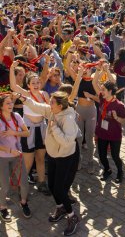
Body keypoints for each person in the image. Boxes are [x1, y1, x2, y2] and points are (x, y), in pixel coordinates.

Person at [17, 91, 81, 236]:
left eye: (51, 102)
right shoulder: (52, 110)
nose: (48, 103)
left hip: (64, 157)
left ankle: (72, 216)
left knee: (60, 189)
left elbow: (66, 142)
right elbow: (37, 106)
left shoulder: (69, 118)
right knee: (51, 186)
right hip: (52, 155)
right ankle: (60, 207)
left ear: (60, 105)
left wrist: (54, 128)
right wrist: (22, 98)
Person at [9, 61, 51, 195]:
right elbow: (13, 86)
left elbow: (50, 110)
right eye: (33, 83)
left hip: (42, 128)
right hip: (28, 130)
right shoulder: (26, 94)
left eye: (38, 82)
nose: (36, 85)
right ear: (28, 85)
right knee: (28, 161)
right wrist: (11, 68)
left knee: (40, 157)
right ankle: (21, 185)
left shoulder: (45, 94)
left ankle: (42, 182)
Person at [0, 93, 31, 222]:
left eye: (11, 102)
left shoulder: (17, 116)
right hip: (3, 157)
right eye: (7, 103)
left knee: (24, 182)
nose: (11, 105)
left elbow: (27, 133)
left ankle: (23, 202)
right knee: (5, 185)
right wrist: (9, 150)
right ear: (1, 106)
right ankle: (2, 206)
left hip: (17, 155)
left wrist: (14, 132)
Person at [92, 73, 125, 183]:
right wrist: (99, 70)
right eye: (101, 90)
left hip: (114, 135)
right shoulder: (102, 98)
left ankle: (120, 172)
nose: (101, 92)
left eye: (104, 90)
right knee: (102, 155)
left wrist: (116, 118)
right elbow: (94, 83)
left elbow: (124, 121)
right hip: (102, 133)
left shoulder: (119, 105)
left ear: (110, 91)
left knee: (115, 156)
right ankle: (107, 169)